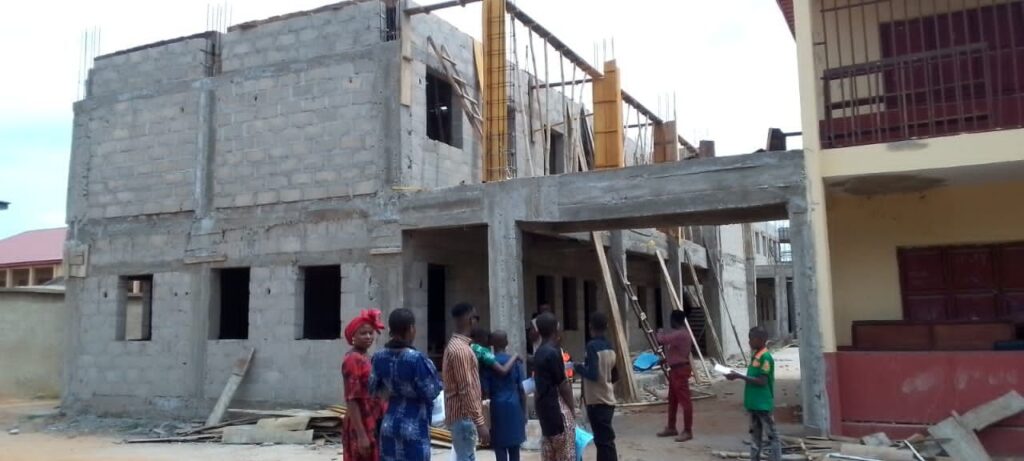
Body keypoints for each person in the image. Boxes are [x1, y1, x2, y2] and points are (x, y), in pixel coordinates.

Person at [370, 308, 443, 461]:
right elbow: (432, 391)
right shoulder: (417, 359)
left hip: (389, 423)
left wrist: (392, 390)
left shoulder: (378, 357)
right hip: (414, 424)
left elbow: (372, 388)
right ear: (410, 328)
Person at [443, 303, 490, 461]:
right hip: (464, 417)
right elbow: (466, 389)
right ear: (471, 320)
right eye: (476, 318)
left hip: (462, 417)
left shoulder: (456, 345)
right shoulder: (461, 350)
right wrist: (480, 423)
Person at [727, 326, 780, 461]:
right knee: (755, 437)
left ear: (760, 340)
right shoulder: (756, 356)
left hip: (763, 404)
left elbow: (762, 381)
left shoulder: (765, 357)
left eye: (751, 339)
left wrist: (739, 376)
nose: (749, 342)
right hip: (754, 403)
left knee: (772, 436)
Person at [341, 309, 387, 461]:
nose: (368, 337)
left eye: (370, 333)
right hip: (361, 421)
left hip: (373, 419)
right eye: (363, 333)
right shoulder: (352, 360)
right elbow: (351, 399)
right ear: (353, 336)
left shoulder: (368, 357)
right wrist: (361, 435)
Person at [575, 312, 618, 461]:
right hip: (608, 398)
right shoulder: (609, 346)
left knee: (603, 442)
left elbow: (593, 374)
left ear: (590, 326)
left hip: (596, 401)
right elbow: (615, 375)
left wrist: (578, 368)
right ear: (606, 327)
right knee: (605, 441)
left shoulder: (591, 346)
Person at [533, 312, 576, 461]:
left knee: (549, 454)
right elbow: (563, 385)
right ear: (556, 328)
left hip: (545, 413)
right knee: (565, 455)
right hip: (558, 413)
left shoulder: (538, 352)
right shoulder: (554, 352)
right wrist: (572, 409)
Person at [481, 330, 527, 461]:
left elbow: (485, 392)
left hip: (497, 408)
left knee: (499, 446)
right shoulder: (515, 362)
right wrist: (524, 412)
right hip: (514, 407)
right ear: (507, 342)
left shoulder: (488, 363)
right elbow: (522, 389)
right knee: (515, 448)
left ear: (492, 343)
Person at [656, 309, 694, 442]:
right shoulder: (681, 334)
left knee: (685, 401)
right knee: (672, 400)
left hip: (680, 370)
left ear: (675, 320)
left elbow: (662, 340)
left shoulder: (680, 334)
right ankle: (671, 427)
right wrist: (666, 360)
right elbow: (676, 352)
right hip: (675, 369)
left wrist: (659, 331)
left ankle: (688, 430)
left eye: (671, 320)